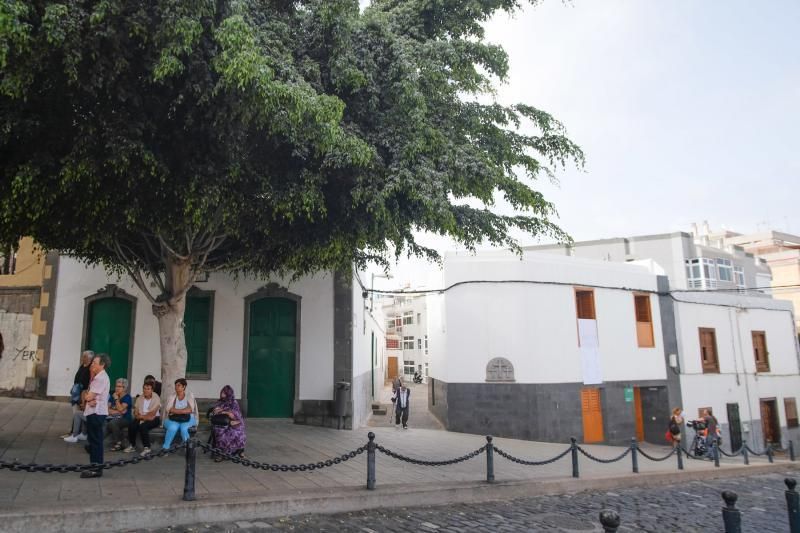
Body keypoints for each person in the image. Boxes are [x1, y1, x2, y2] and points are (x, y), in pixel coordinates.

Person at [81, 353, 111, 478]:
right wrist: (89, 398)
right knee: (93, 440)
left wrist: (89, 398)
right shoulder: (97, 377)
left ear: (102, 365)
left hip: (96, 413)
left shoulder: (100, 378)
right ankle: (94, 464)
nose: (92, 364)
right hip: (93, 411)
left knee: (96, 441)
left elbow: (88, 396)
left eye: (95, 363)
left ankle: (97, 468)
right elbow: (88, 395)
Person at [209, 385, 247, 462]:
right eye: (222, 392)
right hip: (221, 424)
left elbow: (235, 415)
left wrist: (224, 412)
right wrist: (222, 411)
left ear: (229, 394)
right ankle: (221, 454)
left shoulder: (234, 402)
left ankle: (240, 452)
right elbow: (214, 412)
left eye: (224, 393)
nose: (222, 394)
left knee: (239, 432)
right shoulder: (220, 402)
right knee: (221, 433)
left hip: (233, 422)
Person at [61, 350, 93, 439]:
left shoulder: (90, 368)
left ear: (89, 358)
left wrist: (84, 397)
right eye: (83, 356)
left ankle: (76, 433)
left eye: (84, 356)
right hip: (76, 393)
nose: (82, 358)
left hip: (83, 394)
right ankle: (75, 432)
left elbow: (89, 383)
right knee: (75, 412)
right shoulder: (82, 366)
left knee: (78, 413)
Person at [125, 381, 161, 456]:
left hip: (154, 418)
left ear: (152, 390)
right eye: (144, 388)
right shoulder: (140, 398)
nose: (146, 390)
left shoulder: (156, 398)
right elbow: (136, 410)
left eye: (148, 389)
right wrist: (137, 415)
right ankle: (132, 445)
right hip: (141, 417)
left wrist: (142, 417)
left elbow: (153, 414)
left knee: (143, 426)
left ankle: (147, 448)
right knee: (132, 425)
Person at [162, 378, 198, 450]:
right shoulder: (172, 396)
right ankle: (165, 448)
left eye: (179, 385)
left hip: (188, 418)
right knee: (172, 428)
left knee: (184, 428)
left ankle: (188, 449)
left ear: (184, 387)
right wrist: (183, 411)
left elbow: (190, 410)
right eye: (175, 385)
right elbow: (169, 409)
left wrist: (176, 411)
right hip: (173, 418)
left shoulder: (189, 395)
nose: (176, 387)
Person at [107, 378, 133, 451]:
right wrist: (117, 411)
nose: (117, 388)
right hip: (112, 417)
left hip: (125, 419)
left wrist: (116, 399)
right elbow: (107, 409)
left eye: (119, 386)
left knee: (113, 423)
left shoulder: (127, 397)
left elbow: (121, 409)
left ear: (124, 388)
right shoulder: (112, 396)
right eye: (116, 386)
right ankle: (95, 444)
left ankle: (118, 443)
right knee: (105, 424)